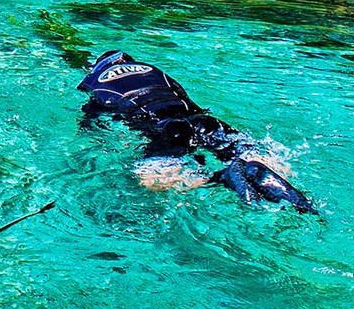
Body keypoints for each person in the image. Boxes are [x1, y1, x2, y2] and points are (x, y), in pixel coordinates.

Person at [78, 50, 316, 213]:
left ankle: (220, 179)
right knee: (251, 151)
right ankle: (258, 169)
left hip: (165, 127)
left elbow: (94, 124)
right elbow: (184, 97)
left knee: (151, 182)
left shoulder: (93, 81)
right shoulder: (151, 69)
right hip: (204, 120)